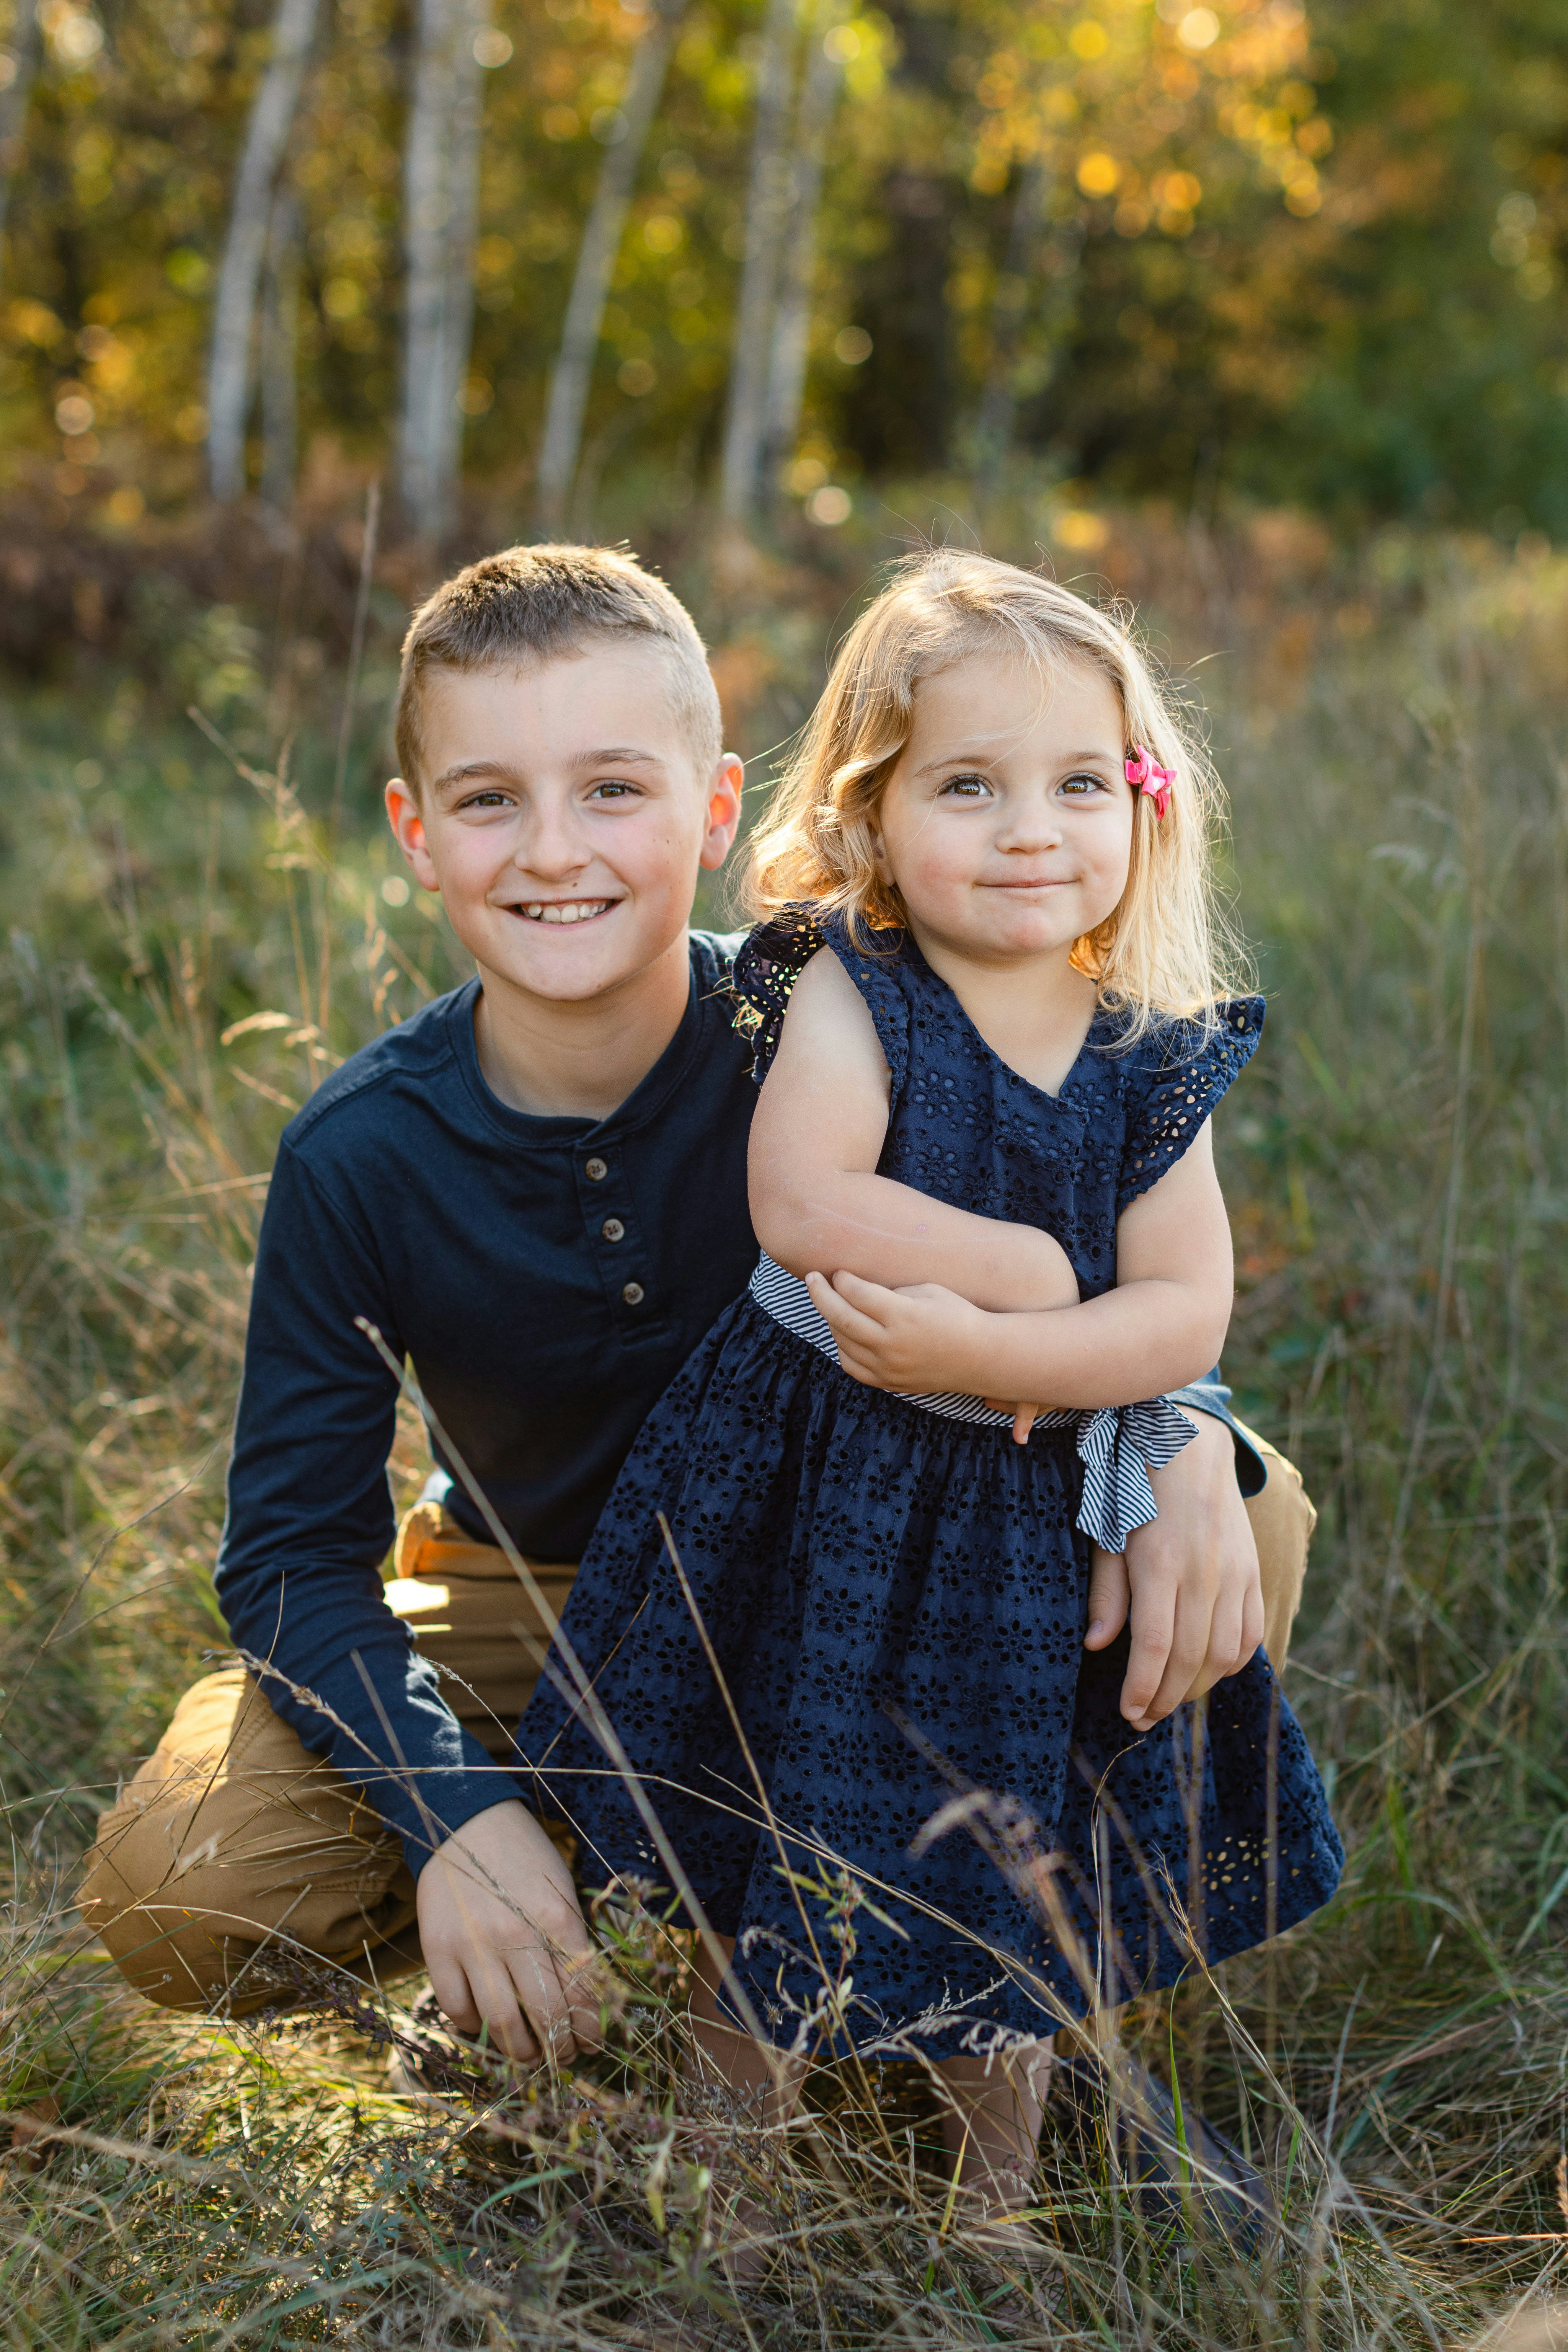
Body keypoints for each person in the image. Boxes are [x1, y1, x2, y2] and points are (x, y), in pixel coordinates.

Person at [80, 542, 1317, 2100]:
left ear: (716, 807)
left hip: (850, 1572)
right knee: (178, 1877)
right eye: (486, 801)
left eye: (612, 790)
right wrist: (450, 1813)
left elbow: (1084, 1193)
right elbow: (285, 1561)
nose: (553, 852)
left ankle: (985, 1953)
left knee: (1243, 1524)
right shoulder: (361, 1154)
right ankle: (560, 1912)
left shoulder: (842, 1020)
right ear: (413, 833)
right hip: (524, 1597)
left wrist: (1178, 1416)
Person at [516, 549, 1343, 2219]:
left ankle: (990, 2207)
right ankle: (727, 2187)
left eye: (1074, 786)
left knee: (1008, 1856)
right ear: (873, 816)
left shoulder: (1138, 1050)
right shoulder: (853, 986)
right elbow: (805, 1202)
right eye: (968, 785)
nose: (1029, 829)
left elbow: (1183, 1311)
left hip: (1013, 1520)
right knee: (768, 1826)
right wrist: (1030, 1269)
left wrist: (1006, 1347)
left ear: (1143, 808)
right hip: (815, 1479)